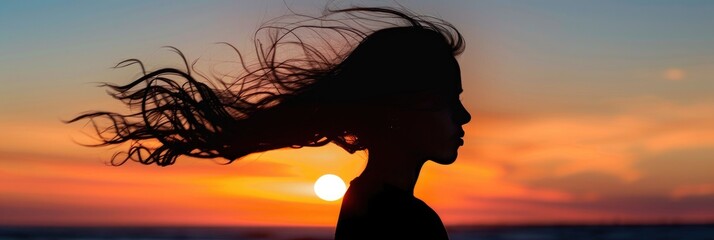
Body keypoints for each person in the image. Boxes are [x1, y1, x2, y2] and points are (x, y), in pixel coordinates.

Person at [68, 6, 470, 239]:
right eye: (446, 100)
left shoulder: (365, 203)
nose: (463, 115)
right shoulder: (402, 222)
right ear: (394, 112)